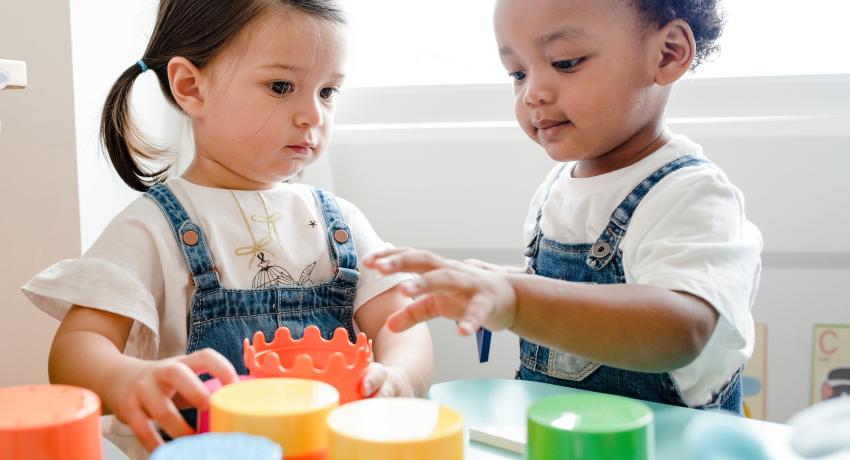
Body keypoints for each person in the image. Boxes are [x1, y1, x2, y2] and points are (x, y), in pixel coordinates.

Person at [22, 1, 432, 456]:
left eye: (328, 92)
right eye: (282, 86)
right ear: (191, 87)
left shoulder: (341, 223)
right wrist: (127, 380)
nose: (314, 115)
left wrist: (400, 377)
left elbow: (403, 324)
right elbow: (77, 348)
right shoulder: (153, 226)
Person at [365, 0, 761, 414]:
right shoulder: (557, 188)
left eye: (565, 62)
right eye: (518, 73)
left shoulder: (691, 194)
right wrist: (498, 284)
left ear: (668, 54)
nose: (533, 92)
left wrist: (518, 299)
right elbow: (578, 292)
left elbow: (681, 330)